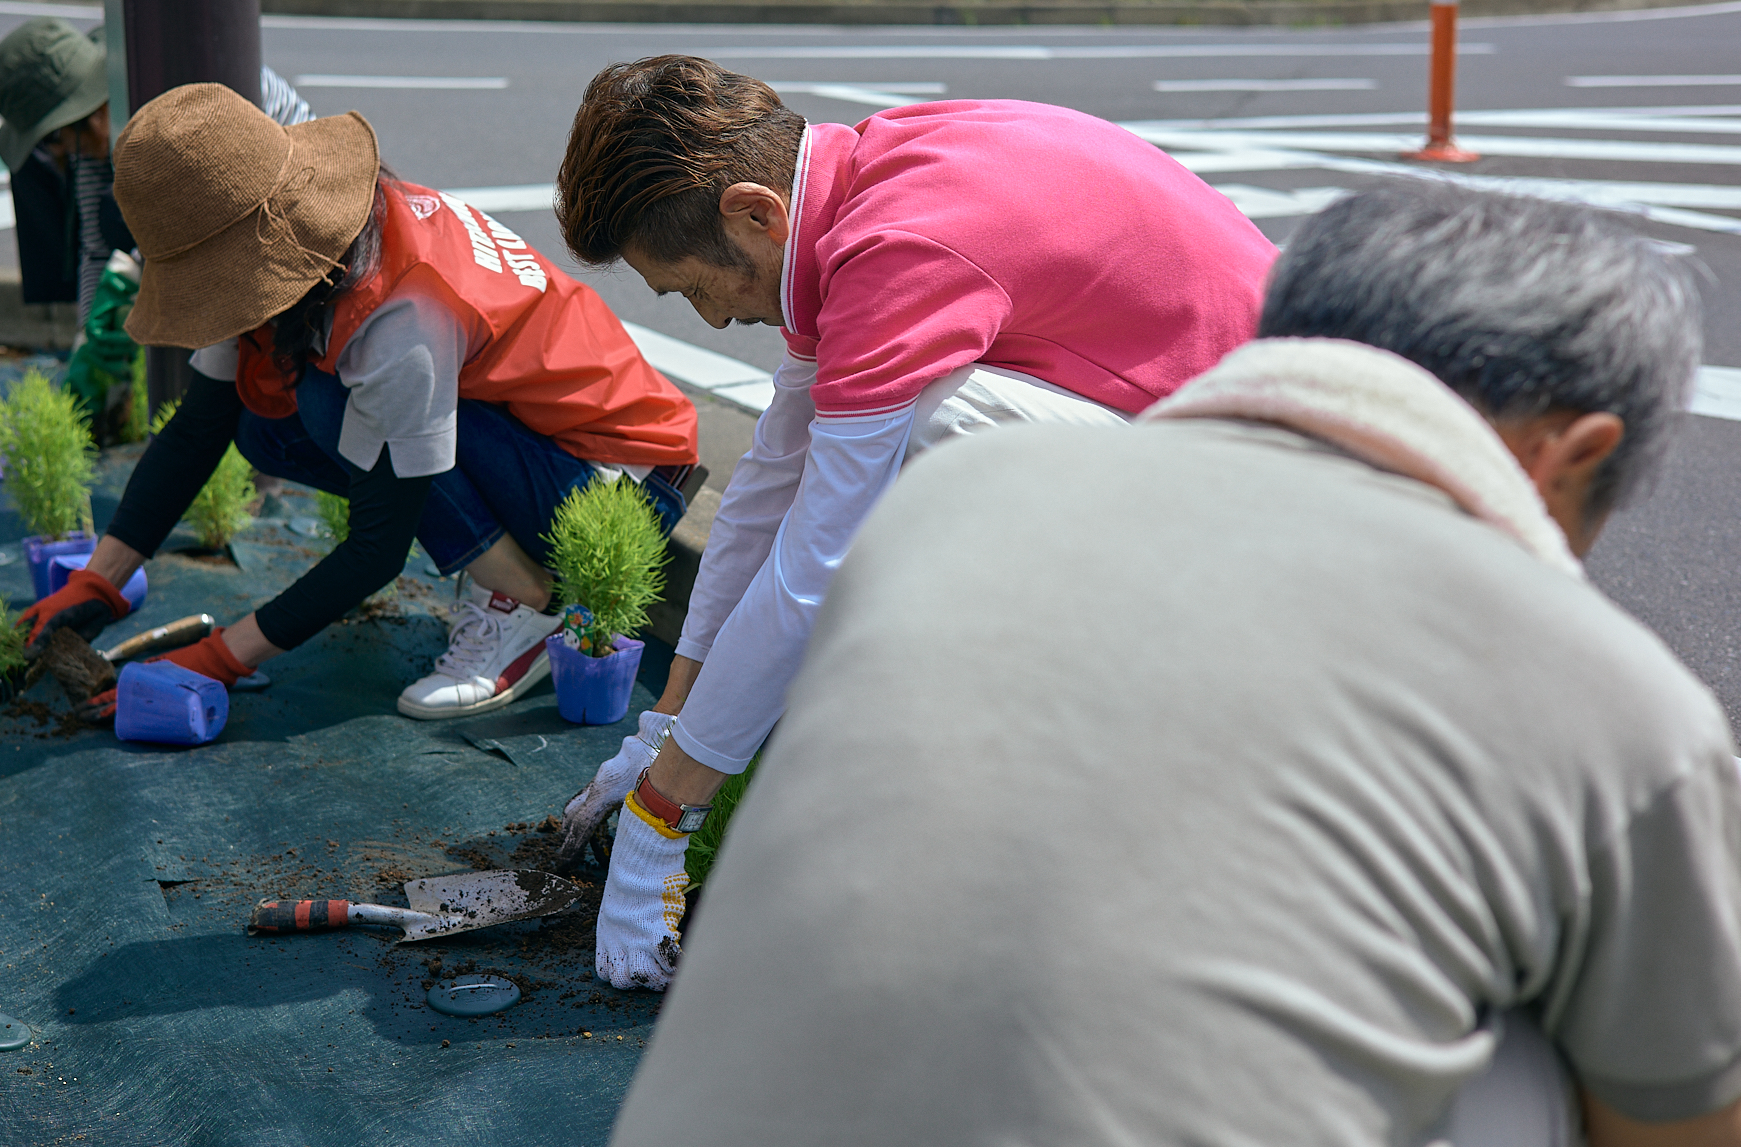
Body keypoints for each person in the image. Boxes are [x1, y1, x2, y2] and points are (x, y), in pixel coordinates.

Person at [613, 184, 1741, 1147]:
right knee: (1564, 1029)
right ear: (1575, 454)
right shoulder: (1608, 698)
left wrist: (665, 779)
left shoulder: (963, 498)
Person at [547, 56, 1278, 988]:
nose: (714, 318)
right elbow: (770, 477)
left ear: (754, 214)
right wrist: (664, 723)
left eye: (693, 287)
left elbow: (812, 569)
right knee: (841, 450)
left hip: (1282, 496)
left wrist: (660, 824)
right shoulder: (865, 179)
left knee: (926, 428)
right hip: (1224, 437)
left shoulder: (902, 251)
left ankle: (1066, 746)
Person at [11, 82, 700, 721]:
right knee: (265, 425)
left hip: (614, 482)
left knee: (329, 405)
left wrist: (220, 656)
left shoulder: (399, 313)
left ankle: (525, 599)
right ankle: (504, 562)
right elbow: (201, 424)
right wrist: (100, 582)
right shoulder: (314, 243)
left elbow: (377, 548)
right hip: (529, 438)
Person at [0, 18, 313, 421]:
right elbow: (96, 250)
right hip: (213, 207)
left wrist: (136, 267)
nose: (60, 152)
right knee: (110, 218)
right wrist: (89, 339)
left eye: (55, 138)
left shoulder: (173, 95)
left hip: (283, 200)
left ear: (89, 116)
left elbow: (210, 216)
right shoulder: (94, 142)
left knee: (244, 398)